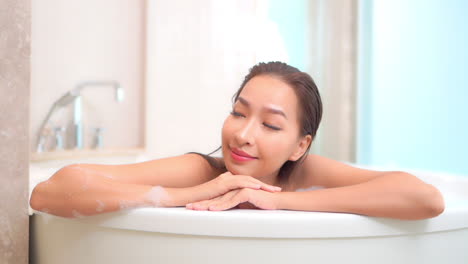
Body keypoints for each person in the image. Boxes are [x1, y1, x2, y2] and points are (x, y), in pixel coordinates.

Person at [29, 61, 445, 220]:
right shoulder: (202, 169)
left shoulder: (304, 173)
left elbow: (425, 199)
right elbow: (51, 192)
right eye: (239, 112)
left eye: (271, 124)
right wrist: (192, 192)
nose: (242, 134)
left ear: (300, 145)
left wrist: (277, 199)